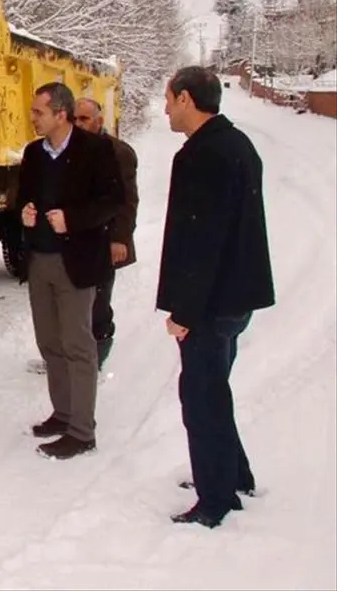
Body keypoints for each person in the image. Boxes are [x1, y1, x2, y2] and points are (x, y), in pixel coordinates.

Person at [157, 65, 274, 528]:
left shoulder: (204, 155)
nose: (166, 109)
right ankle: (233, 474)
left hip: (210, 301)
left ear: (186, 99)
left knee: (201, 398)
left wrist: (184, 311)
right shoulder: (237, 144)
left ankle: (215, 500)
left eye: (169, 100)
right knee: (214, 389)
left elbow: (203, 240)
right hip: (233, 297)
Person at [15, 82, 123, 459]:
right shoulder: (33, 153)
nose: (32, 118)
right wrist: (24, 213)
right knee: (50, 342)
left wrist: (72, 220)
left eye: (39, 112)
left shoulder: (96, 150)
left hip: (76, 262)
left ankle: (82, 431)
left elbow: (113, 201)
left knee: (78, 345)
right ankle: (62, 414)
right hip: (40, 260)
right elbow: (22, 198)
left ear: (61, 114)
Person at [73, 97, 139, 368]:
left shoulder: (118, 152)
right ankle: (71, 357)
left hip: (104, 240)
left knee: (98, 303)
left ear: (99, 121)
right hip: (76, 240)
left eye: (84, 119)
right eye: (74, 119)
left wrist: (119, 239)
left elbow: (127, 200)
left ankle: (96, 358)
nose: (78, 124)